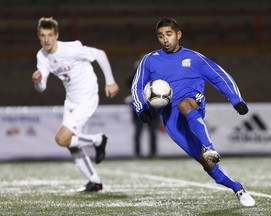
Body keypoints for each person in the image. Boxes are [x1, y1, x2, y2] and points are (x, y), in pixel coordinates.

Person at [131, 18, 255, 206]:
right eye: (161, 36)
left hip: (192, 103)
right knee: (208, 165)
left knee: (184, 104)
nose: (165, 39)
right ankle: (238, 188)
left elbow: (219, 76)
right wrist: (142, 110)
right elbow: (137, 86)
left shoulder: (194, 58)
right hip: (171, 121)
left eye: (169, 34)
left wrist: (236, 100)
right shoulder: (149, 60)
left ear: (178, 34)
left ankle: (209, 147)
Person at [32, 17, 119, 192]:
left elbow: (99, 54)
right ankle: (94, 181)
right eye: (43, 35)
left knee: (61, 139)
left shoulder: (71, 49)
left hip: (87, 98)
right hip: (71, 100)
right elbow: (42, 87)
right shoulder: (42, 55)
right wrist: (37, 81)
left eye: (50, 35)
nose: (46, 39)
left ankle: (98, 139)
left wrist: (110, 81)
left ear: (56, 35)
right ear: (39, 37)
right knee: (70, 144)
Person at [126, 57, 160, 159]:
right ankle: (137, 153)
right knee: (138, 133)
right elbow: (128, 82)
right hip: (139, 110)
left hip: (152, 109)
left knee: (153, 133)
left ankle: (153, 153)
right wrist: (136, 70)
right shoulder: (136, 77)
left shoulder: (154, 76)